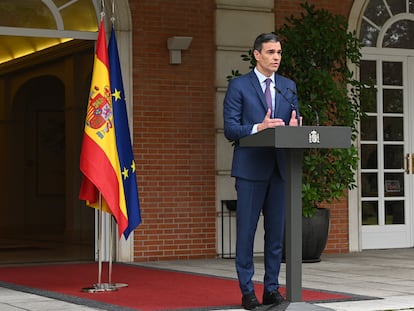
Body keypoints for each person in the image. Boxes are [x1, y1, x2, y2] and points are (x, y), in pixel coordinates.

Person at [223, 33, 300, 310]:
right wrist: (260, 127)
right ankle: (247, 290)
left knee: (276, 235)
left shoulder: (288, 87)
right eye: (270, 52)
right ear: (256, 55)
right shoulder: (239, 86)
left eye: (279, 52)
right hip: (250, 169)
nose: (276, 57)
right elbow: (231, 130)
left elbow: (293, 121)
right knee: (246, 232)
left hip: (280, 169)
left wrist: (294, 129)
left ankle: (271, 288)